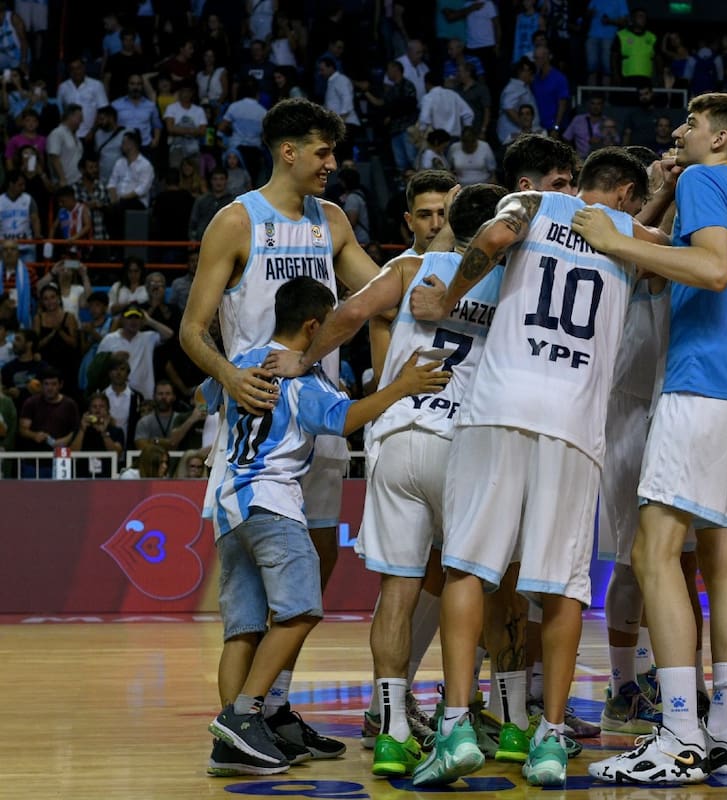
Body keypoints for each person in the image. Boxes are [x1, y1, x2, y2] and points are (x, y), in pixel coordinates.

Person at [400, 148, 648, 788]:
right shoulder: (629, 232)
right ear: (622, 192)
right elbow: (701, 265)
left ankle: (455, 724)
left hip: (498, 407)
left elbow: (496, 234)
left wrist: (455, 295)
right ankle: (548, 739)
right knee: (560, 586)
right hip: (574, 422)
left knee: (466, 567)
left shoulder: (533, 204)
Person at [264, 184, 503, 777]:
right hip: (464, 442)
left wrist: (302, 358)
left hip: (396, 438)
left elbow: (347, 313)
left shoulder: (411, 265)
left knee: (396, 591)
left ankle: (392, 728)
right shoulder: (507, 278)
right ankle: (465, 718)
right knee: (470, 585)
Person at [575, 93, 727, 783]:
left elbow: (711, 269)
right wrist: (647, 218)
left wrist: (613, 239)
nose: (679, 131)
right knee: (723, 564)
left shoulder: (705, 179)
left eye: (691, 123)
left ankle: (679, 733)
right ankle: (723, 732)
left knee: (652, 552)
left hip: (702, 383)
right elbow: (695, 256)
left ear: (720, 137)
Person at [181, 98, 381, 761]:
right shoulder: (236, 221)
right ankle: (240, 721)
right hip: (260, 426)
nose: (333, 163)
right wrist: (230, 379)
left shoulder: (332, 221)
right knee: (258, 595)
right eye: (322, 152)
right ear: (288, 152)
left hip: (318, 420)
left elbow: (380, 293)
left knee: (312, 569)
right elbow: (191, 328)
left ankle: (270, 711)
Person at [205, 276, 449, 777]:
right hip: (273, 503)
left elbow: (211, 393)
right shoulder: (305, 378)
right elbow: (345, 420)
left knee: (245, 629)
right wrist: (400, 387)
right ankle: (245, 716)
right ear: (315, 326)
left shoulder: (245, 359)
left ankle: (234, 740)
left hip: (228, 507)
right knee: (300, 611)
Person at [96, 306, 172, 400]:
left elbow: (169, 334)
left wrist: (149, 320)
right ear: (122, 320)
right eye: (129, 317)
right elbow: (97, 366)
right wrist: (112, 357)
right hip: (116, 395)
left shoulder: (147, 337)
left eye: (137, 317)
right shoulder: (109, 339)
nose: (133, 321)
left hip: (145, 396)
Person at [18, 367, 78, 478]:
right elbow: (22, 429)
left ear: (61, 385)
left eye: (53, 384)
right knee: (31, 494)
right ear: (41, 385)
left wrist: (63, 442)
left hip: (60, 461)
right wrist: (34, 435)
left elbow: (75, 430)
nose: (50, 388)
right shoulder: (31, 403)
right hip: (33, 462)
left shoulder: (70, 405)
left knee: (60, 494)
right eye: (46, 384)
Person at [70, 391, 124, 478]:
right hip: (83, 478)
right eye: (94, 407)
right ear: (89, 411)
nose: (98, 410)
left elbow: (117, 454)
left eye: (102, 406)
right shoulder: (80, 430)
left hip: (107, 478)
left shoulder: (116, 431)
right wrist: (82, 430)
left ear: (108, 409)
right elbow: (72, 454)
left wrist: (104, 432)